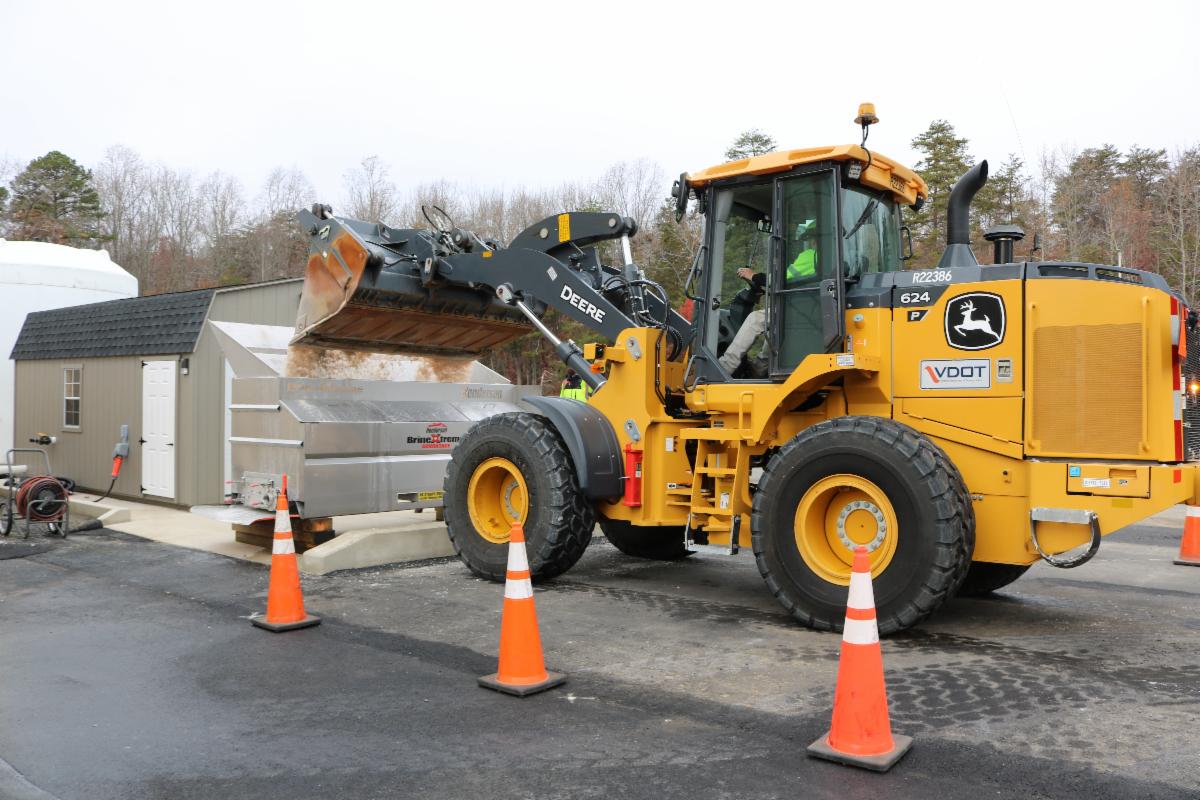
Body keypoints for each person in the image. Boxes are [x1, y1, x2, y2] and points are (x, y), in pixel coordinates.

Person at [718, 219, 819, 373]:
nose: (811, 243)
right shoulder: (826, 259)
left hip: (800, 311)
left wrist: (754, 276)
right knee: (773, 326)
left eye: (811, 238)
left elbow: (781, 279)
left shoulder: (812, 256)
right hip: (809, 309)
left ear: (815, 239)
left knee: (755, 319)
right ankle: (759, 369)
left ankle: (725, 367)